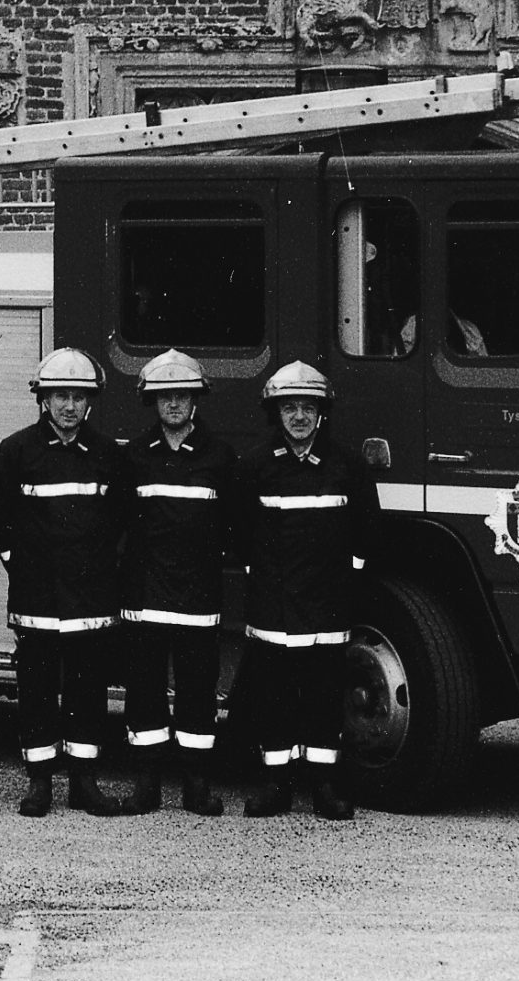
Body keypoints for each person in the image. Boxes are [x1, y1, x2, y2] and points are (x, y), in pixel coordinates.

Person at [0, 347, 130, 819]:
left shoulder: (108, 455)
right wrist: (16, 563)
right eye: (59, 396)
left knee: (88, 692)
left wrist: (106, 568)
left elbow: (125, 522)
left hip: (91, 597)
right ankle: (40, 783)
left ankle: (85, 784)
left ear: (91, 403)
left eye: (78, 397)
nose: (69, 406)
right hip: (37, 595)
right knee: (38, 690)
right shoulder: (16, 450)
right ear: (42, 400)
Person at [232, 360, 381, 821]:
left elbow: (366, 530)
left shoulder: (347, 465)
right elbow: (239, 531)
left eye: (308, 408)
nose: (299, 416)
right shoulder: (255, 465)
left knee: (322, 696)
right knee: (273, 696)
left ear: (322, 414)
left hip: (326, 605)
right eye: (290, 407)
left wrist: (346, 579)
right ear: (276, 413)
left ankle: (323, 787)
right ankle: (275, 784)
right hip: (273, 605)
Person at [116, 350, 234, 817]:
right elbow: (118, 525)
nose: (173, 404)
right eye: (165, 397)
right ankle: (146, 785)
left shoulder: (220, 457)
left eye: (181, 395)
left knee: (197, 694)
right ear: (153, 402)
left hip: (198, 600)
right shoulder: (134, 457)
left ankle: (196, 787)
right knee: (143, 693)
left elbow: (233, 526)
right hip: (144, 599)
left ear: (195, 400)